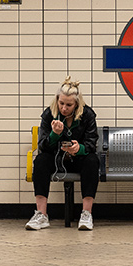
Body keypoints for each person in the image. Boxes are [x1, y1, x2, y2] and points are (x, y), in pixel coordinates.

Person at [26, 77, 100, 231]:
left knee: (92, 161)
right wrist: (54, 135)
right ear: (57, 100)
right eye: (61, 103)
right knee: (40, 160)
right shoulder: (49, 114)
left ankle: (86, 213)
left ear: (77, 104)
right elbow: (43, 146)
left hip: (79, 159)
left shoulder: (87, 115)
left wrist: (79, 148)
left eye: (69, 105)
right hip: (56, 159)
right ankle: (41, 214)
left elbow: (92, 143)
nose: (64, 108)